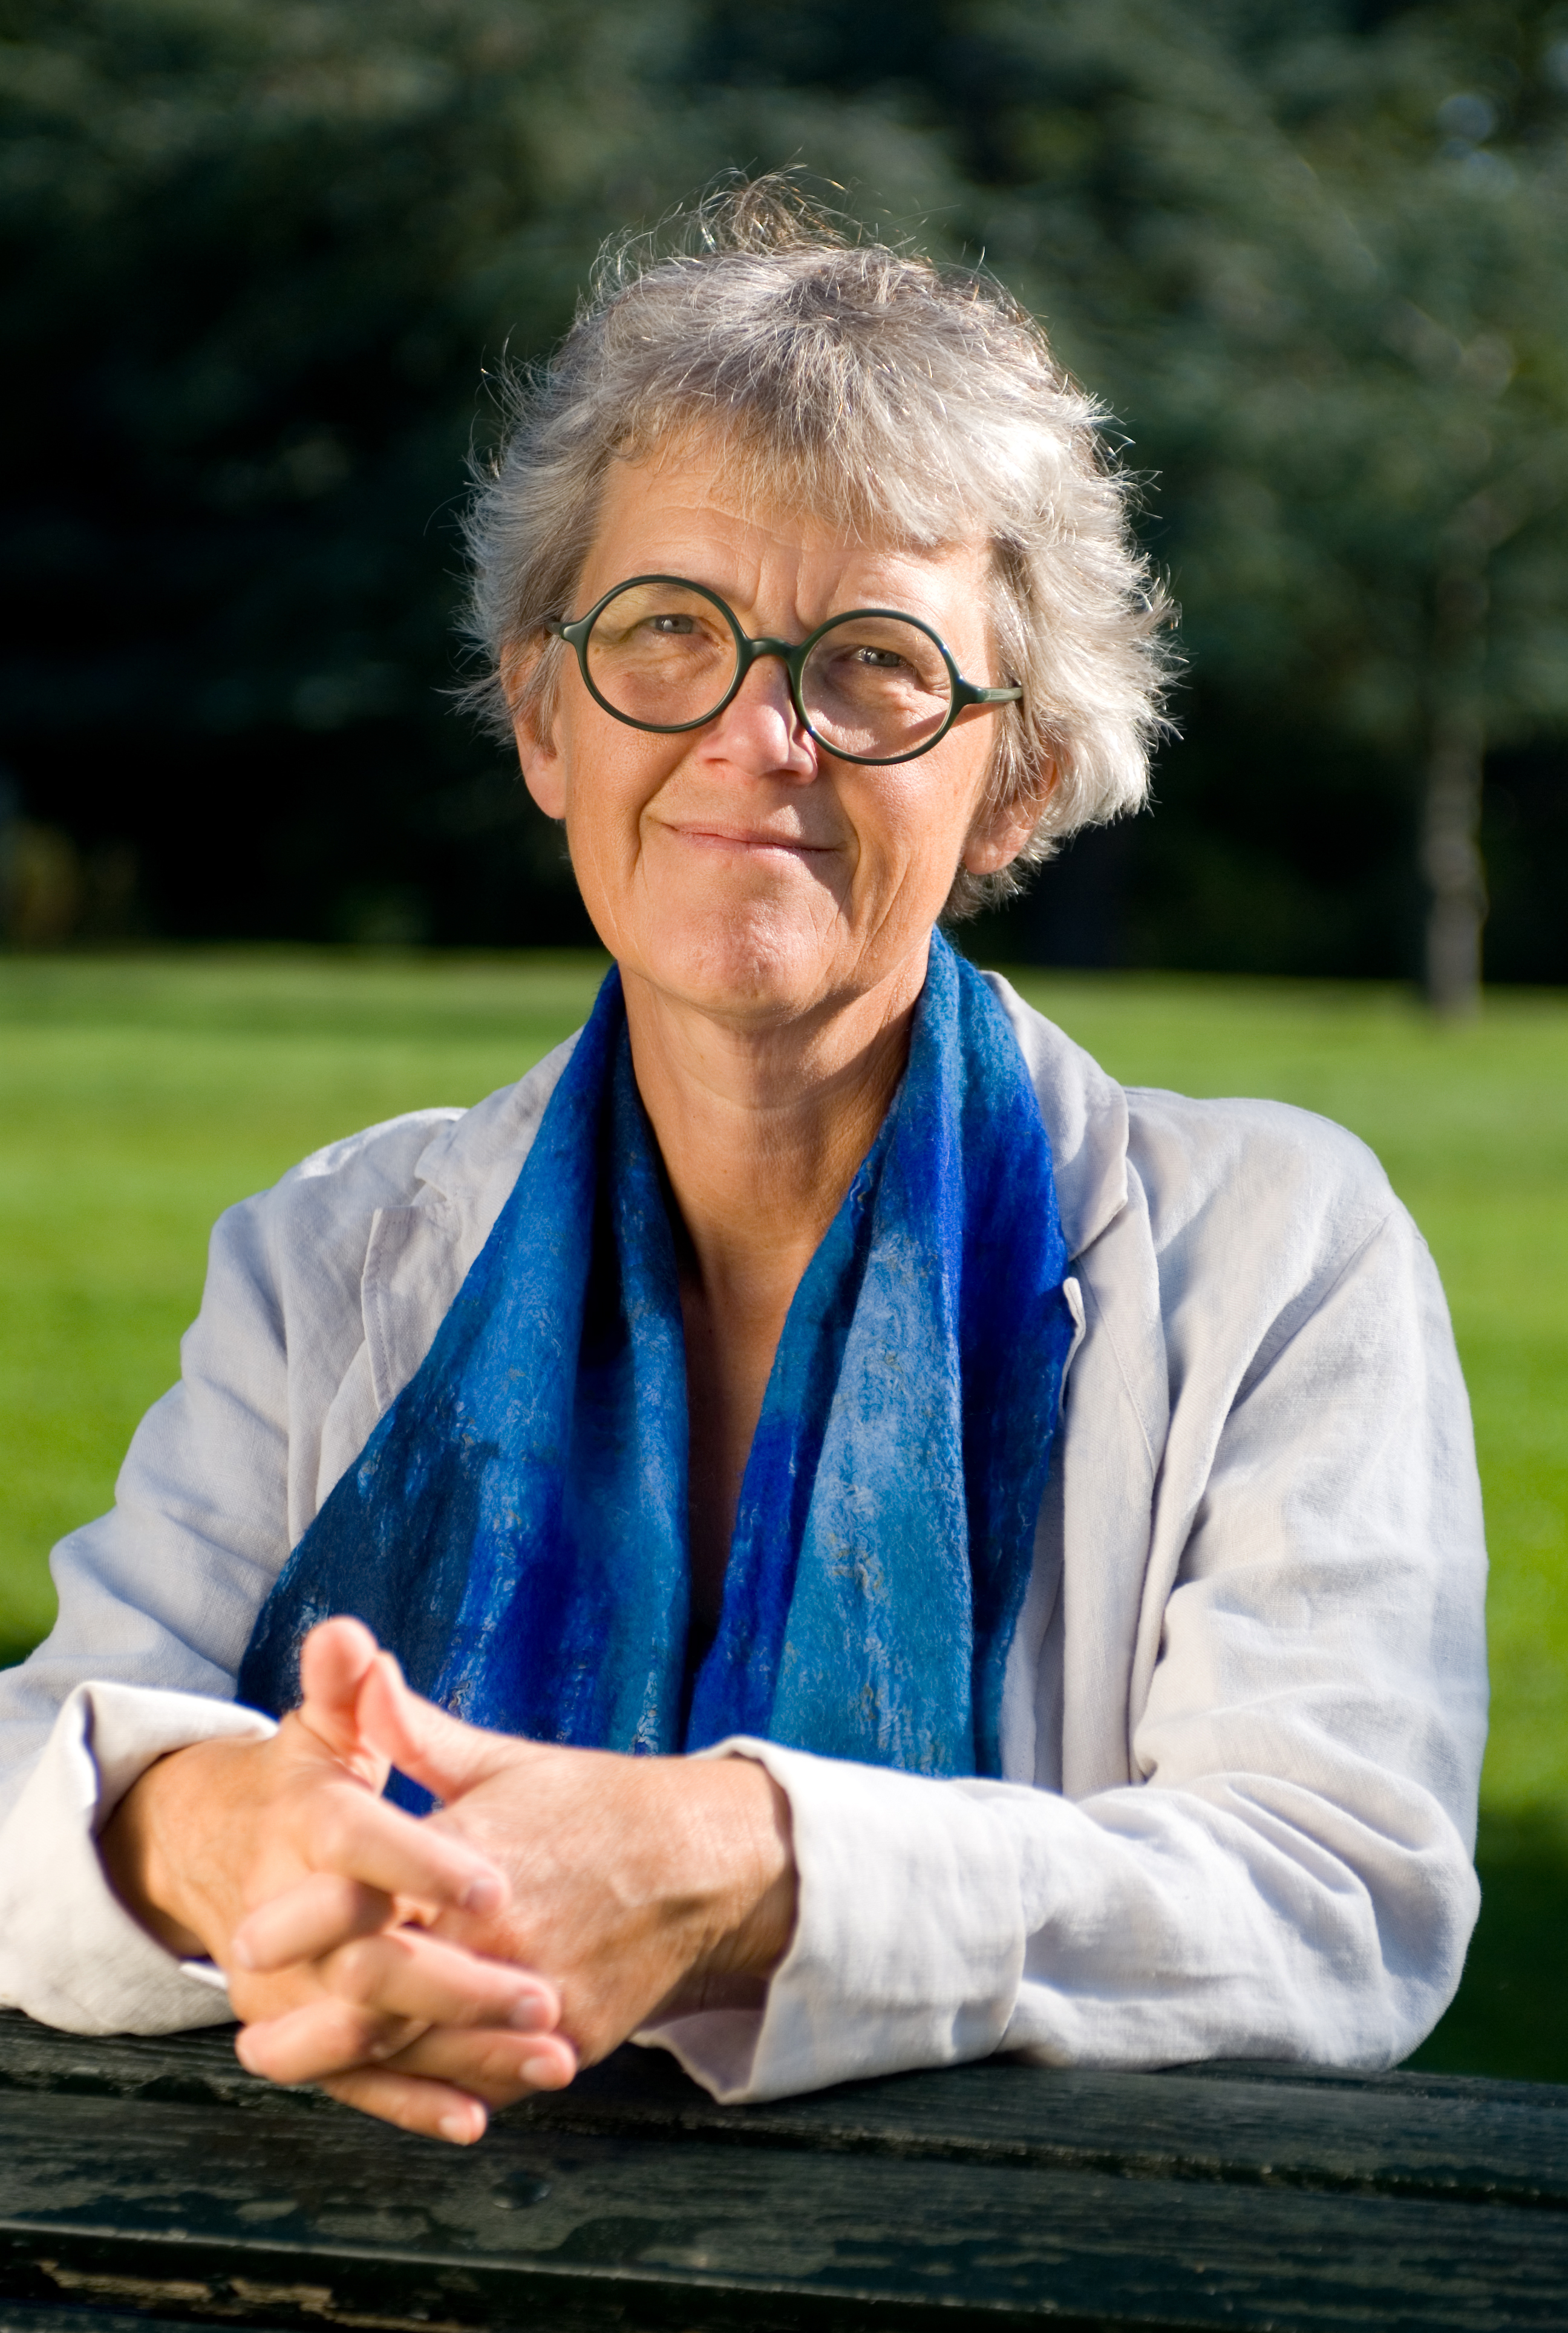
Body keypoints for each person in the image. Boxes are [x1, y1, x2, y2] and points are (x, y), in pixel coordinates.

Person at [0, 182, 1488, 2147]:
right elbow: (40, 1773)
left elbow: (1337, 1897)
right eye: (666, 633)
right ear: (545, 720)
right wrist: (209, 1830)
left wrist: (740, 1865)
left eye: (871, 662)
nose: (757, 734)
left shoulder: (1275, 1250)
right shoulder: (336, 1252)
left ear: (1018, 778)